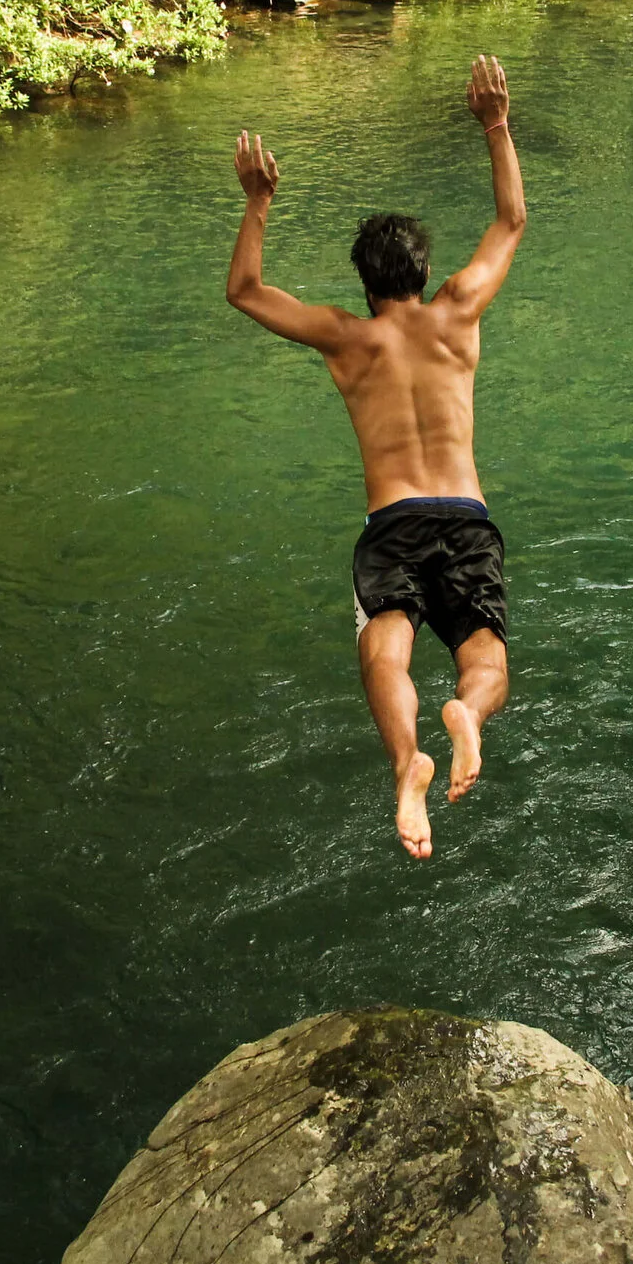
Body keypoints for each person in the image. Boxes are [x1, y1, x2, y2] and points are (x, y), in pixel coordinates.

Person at [226, 55, 527, 859]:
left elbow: (246, 291)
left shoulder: (345, 336)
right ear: (425, 273)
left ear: (364, 281)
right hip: (467, 514)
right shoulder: (459, 311)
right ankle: (468, 711)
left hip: (393, 520)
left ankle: (407, 762)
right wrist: (495, 124)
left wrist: (258, 202)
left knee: (383, 651)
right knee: (484, 654)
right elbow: (511, 224)